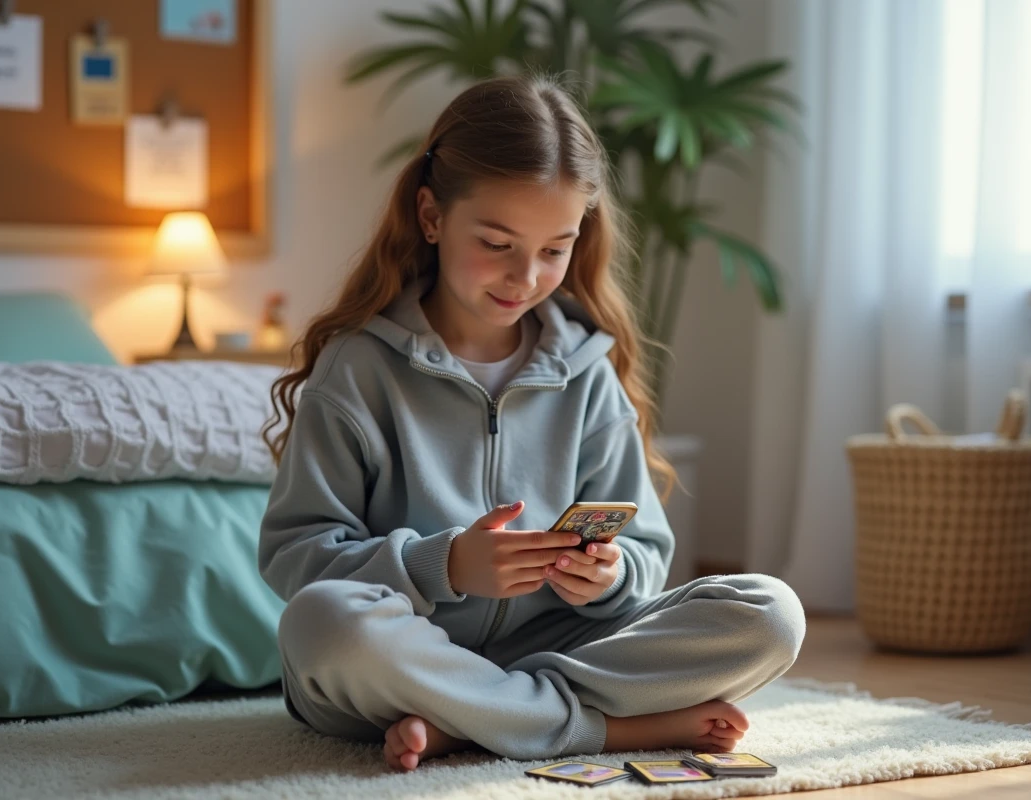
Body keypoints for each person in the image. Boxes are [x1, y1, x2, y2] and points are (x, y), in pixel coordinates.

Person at [258, 74, 805, 772]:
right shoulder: (357, 370)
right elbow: (297, 557)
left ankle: (474, 723)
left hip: (560, 643)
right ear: (431, 217)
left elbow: (643, 551)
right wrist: (442, 565)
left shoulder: (585, 372)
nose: (525, 277)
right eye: (496, 242)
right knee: (321, 625)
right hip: (405, 655)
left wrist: (608, 577)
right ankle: (601, 726)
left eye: (554, 250)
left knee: (771, 613)